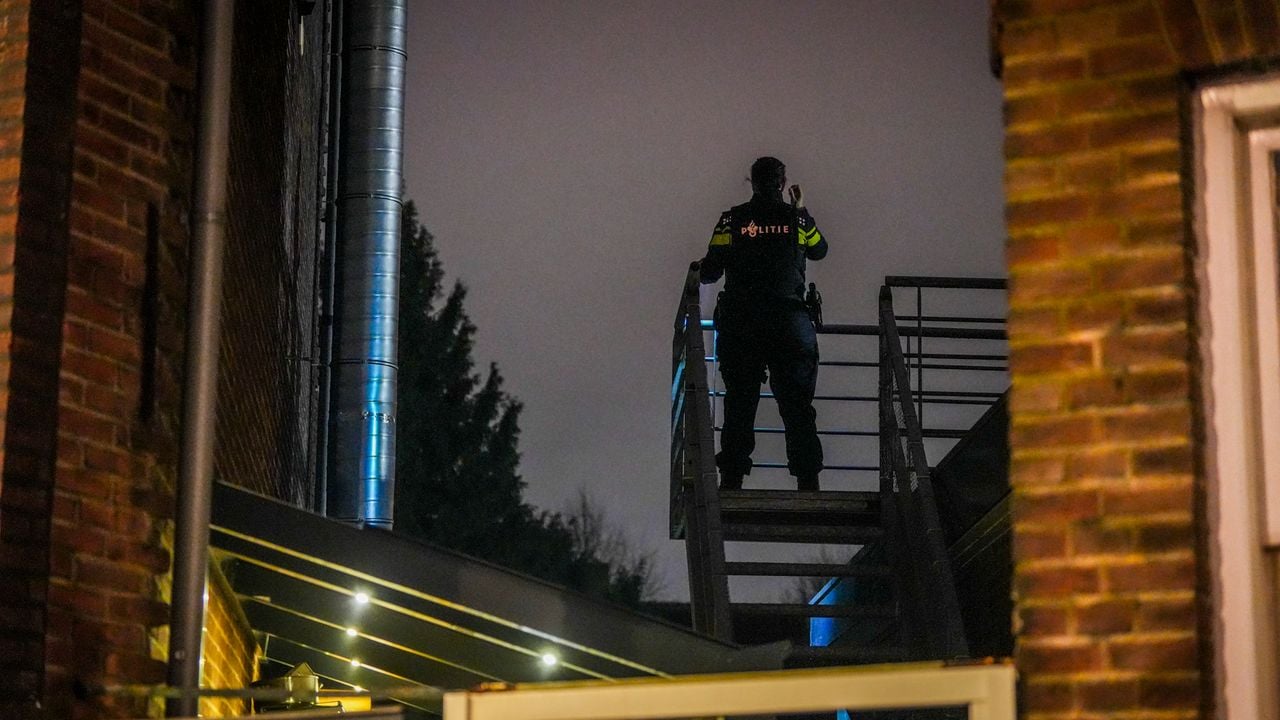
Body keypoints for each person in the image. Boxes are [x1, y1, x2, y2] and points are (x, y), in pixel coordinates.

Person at [698, 156, 828, 492]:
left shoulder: (733, 220)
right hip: (790, 324)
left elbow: (711, 270)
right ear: (782, 184)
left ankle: (732, 480)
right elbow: (819, 250)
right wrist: (800, 210)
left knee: (740, 403)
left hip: (743, 325)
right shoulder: (796, 220)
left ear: (752, 183)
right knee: (797, 406)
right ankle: (808, 481)